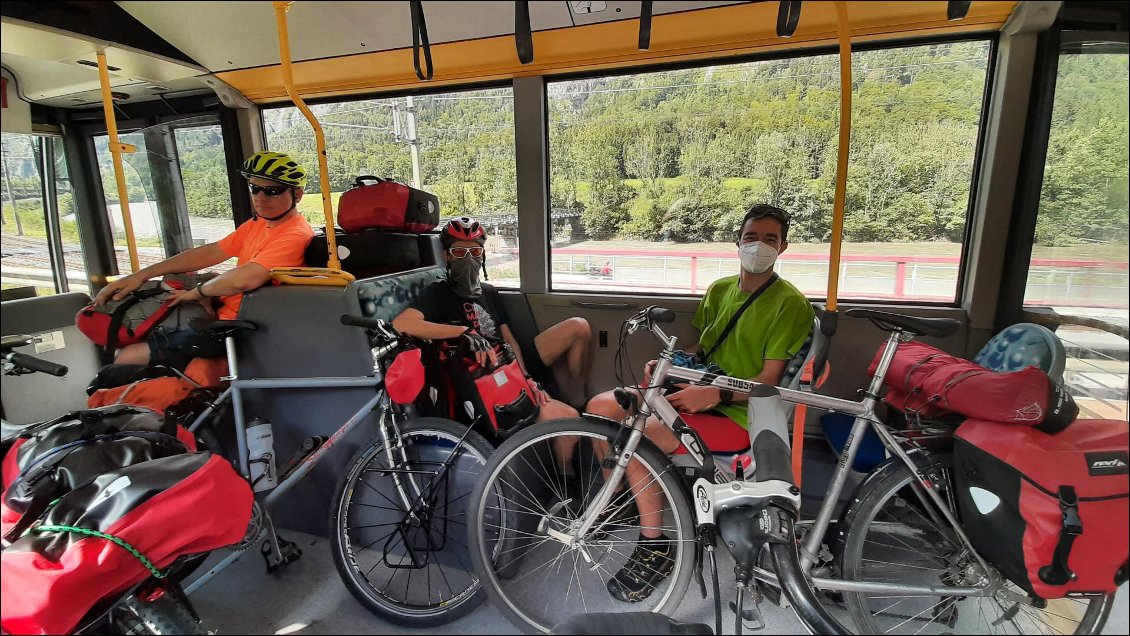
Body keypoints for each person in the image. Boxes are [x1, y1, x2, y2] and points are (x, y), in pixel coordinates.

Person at [585, 203, 815, 603]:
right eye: (750, 237)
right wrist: (673, 364)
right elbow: (702, 349)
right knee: (601, 406)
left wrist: (717, 394)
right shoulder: (720, 290)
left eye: (769, 239)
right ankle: (619, 499)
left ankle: (653, 545)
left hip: (741, 410)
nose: (758, 246)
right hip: (699, 393)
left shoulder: (790, 305)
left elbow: (768, 383)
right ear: (737, 241)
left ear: (783, 247)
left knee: (643, 438)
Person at [93, 151, 315, 366]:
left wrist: (197, 292)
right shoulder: (257, 224)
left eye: (272, 191)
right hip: (223, 315)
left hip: (242, 327)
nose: (260, 198)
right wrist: (143, 274)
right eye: (254, 188)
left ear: (296, 195)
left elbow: (244, 279)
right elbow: (211, 252)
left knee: (127, 356)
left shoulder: (295, 234)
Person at [392, 217, 592, 421]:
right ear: (447, 256)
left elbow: (508, 338)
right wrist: (462, 331)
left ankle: (576, 400)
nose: (468, 259)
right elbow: (401, 324)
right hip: (483, 371)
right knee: (569, 419)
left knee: (579, 326)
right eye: (460, 252)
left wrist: (525, 377)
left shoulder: (488, 291)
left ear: (483, 255)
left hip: (508, 360)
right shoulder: (438, 293)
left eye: (475, 251)